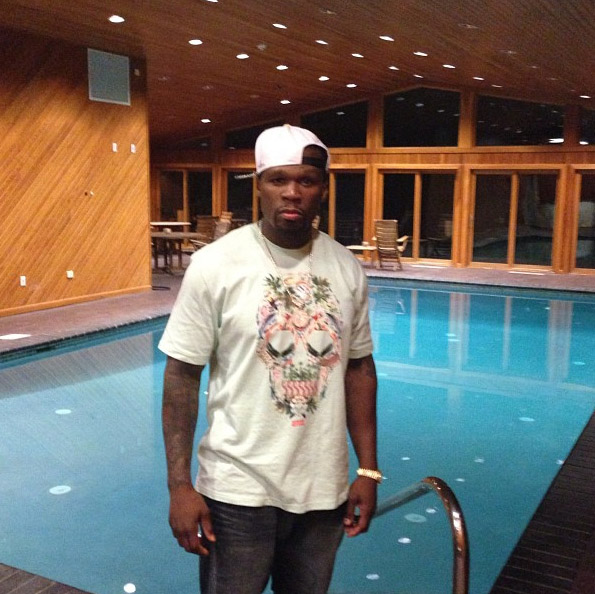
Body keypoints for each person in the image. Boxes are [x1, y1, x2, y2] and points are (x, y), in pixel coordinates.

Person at [159, 124, 379, 594]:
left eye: (306, 180)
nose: (292, 193)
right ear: (258, 185)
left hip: (323, 489)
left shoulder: (346, 267)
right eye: (279, 179)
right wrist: (179, 485)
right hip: (236, 491)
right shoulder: (216, 265)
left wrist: (367, 469)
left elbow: (359, 367)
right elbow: (181, 376)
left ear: (323, 188)